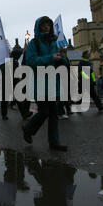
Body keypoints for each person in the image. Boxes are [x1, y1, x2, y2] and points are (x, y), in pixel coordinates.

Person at [22, 16, 68, 152]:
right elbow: (31, 61)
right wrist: (50, 58)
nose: (47, 26)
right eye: (44, 24)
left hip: (53, 82)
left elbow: (58, 62)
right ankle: (28, 128)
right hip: (40, 83)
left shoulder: (54, 43)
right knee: (44, 112)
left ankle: (54, 141)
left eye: (48, 24)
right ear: (39, 27)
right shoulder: (34, 44)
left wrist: (62, 60)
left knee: (53, 113)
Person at [57, 48, 72, 119]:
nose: (65, 54)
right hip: (62, 79)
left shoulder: (66, 59)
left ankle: (68, 110)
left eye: (65, 52)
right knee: (62, 96)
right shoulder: (61, 59)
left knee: (66, 95)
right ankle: (61, 112)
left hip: (66, 78)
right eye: (64, 52)